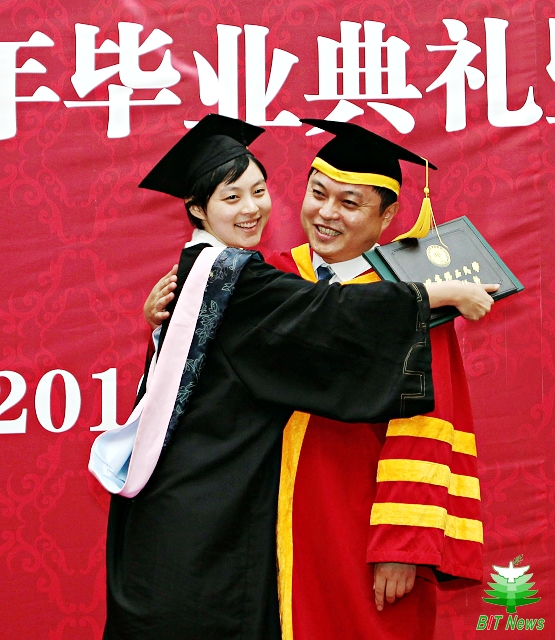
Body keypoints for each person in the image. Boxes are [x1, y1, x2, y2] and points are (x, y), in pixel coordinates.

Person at [103, 114, 481, 640]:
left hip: (353, 519)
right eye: (317, 193)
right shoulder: (269, 274)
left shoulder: (409, 300)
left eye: (349, 203)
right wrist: (160, 326)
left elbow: (428, 426)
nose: (326, 213)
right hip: (253, 525)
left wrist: (403, 544)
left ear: (389, 215)